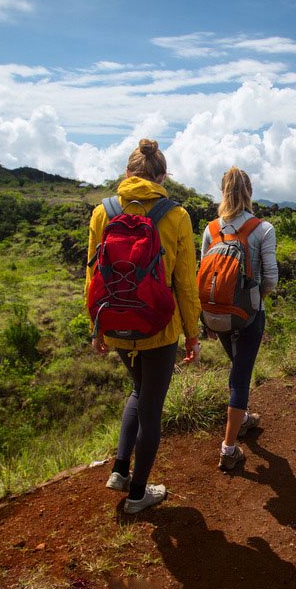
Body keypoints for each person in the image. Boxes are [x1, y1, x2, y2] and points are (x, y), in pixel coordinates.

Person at [86, 138, 201, 514]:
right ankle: (138, 495)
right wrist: (192, 335)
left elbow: (91, 277)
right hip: (159, 328)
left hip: (117, 323)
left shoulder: (102, 212)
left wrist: (96, 328)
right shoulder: (177, 215)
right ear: (162, 177)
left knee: (138, 391)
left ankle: (120, 470)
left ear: (127, 173)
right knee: (151, 406)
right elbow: (185, 282)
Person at [202, 167, 278, 471]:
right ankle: (229, 448)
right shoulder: (263, 229)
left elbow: (203, 274)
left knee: (237, 366)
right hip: (248, 314)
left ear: (223, 192)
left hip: (216, 314)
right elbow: (270, 278)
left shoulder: (211, 229)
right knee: (241, 377)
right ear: (249, 191)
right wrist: (256, 299)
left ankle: (243, 416)